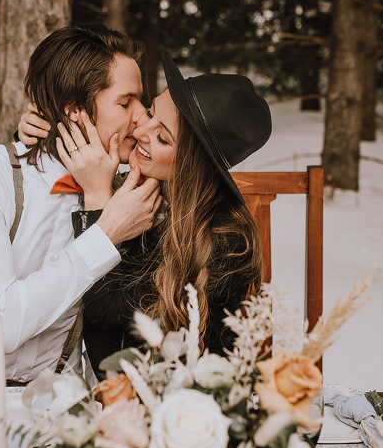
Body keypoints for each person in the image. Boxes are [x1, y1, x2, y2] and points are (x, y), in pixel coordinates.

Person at [0, 25, 162, 395]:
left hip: (60, 394)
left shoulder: (125, 192)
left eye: (140, 101)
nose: (142, 116)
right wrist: (105, 233)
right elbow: (3, 326)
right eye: (126, 102)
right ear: (75, 111)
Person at [21, 48, 272, 376]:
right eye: (151, 112)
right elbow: (82, 160)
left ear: (189, 164)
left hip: (181, 407)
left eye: (162, 137)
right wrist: (41, 132)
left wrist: (98, 198)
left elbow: (103, 308)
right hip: (113, 396)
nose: (140, 130)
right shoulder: (144, 188)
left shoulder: (224, 240)